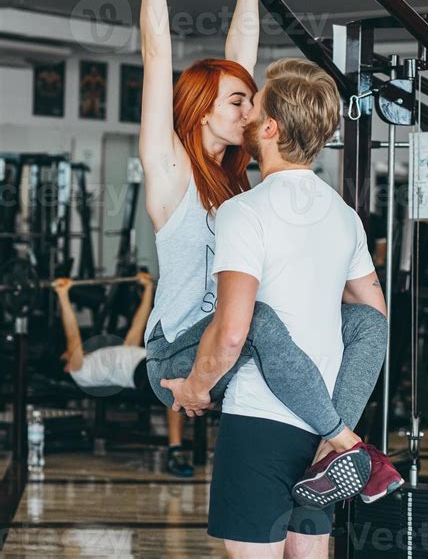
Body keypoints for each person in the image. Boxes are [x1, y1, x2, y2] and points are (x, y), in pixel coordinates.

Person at [139, 0, 401, 532]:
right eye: (239, 101)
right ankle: (345, 443)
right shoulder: (170, 174)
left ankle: (326, 446)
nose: (252, 110)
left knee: (366, 321)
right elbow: (155, 55)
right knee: (254, 315)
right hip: (180, 358)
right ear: (202, 110)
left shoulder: (237, 184)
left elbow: (240, 53)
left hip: (231, 349)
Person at [160, 59, 403, 557]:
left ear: (269, 128)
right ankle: (347, 440)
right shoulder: (345, 216)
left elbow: (233, 331)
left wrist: (195, 389)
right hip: (319, 434)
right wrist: (335, 426)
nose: (246, 113)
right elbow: (372, 319)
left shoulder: (244, 211)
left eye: (255, 106)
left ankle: (345, 440)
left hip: (261, 420)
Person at [52, 272, 193, 478]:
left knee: (190, 364)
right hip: (142, 372)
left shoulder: (107, 356)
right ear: (64, 364)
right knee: (175, 381)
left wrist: (147, 290)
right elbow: (72, 335)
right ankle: (175, 451)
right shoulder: (78, 371)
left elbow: (138, 325)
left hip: (149, 361)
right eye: (67, 352)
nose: (72, 350)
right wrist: (63, 295)